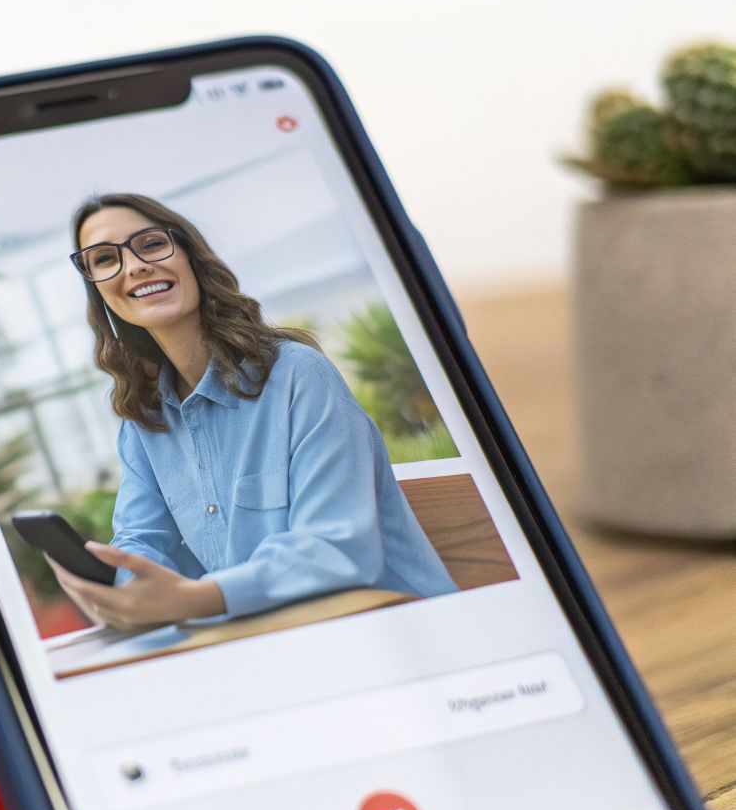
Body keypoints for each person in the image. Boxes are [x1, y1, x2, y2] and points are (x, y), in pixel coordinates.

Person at [51, 193, 457, 632]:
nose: (134, 266)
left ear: (191, 256)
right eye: (105, 259)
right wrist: (119, 586)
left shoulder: (299, 375)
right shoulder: (145, 420)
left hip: (402, 628)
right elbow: (142, 539)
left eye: (151, 245)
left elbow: (338, 549)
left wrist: (197, 598)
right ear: (98, 291)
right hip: (277, 639)